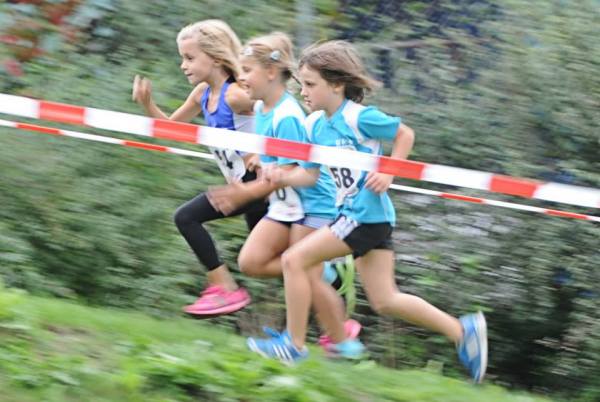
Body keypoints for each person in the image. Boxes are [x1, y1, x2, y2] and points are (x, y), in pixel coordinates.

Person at [247, 40, 488, 383]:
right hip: (366, 218)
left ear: (336, 84)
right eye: (302, 84)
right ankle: (462, 331)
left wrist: (389, 171)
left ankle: (294, 345)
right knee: (385, 300)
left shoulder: (358, 117)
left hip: (363, 216)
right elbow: (310, 175)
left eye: (311, 84)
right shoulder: (314, 125)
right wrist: (280, 176)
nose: (303, 92)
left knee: (294, 260)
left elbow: (404, 134)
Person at [207, 32, 361, 347]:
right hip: (286, 203)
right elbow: (276, 161)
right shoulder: (261, 109)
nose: (240, 77)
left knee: (300, 268)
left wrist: (245, 193)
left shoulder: (287, 116)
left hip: (311, 203)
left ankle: (334, 343)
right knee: (251, 262)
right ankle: (323, 273)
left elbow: (292, 172)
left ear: (271, 72)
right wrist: (258, 160)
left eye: (246, 70)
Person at [131, 19, 266, 316]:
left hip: (258, 184)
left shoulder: (236, 95)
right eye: (183, 58)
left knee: (186, 217)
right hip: (240, 187)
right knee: (268, 261)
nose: (183, 65)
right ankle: (331, 284)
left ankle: (225, 288)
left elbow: (274, 110)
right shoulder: (202, 93)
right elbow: (171, 130)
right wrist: (148, 104)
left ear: (216, 58)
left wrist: (262, 151)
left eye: (190, 58)